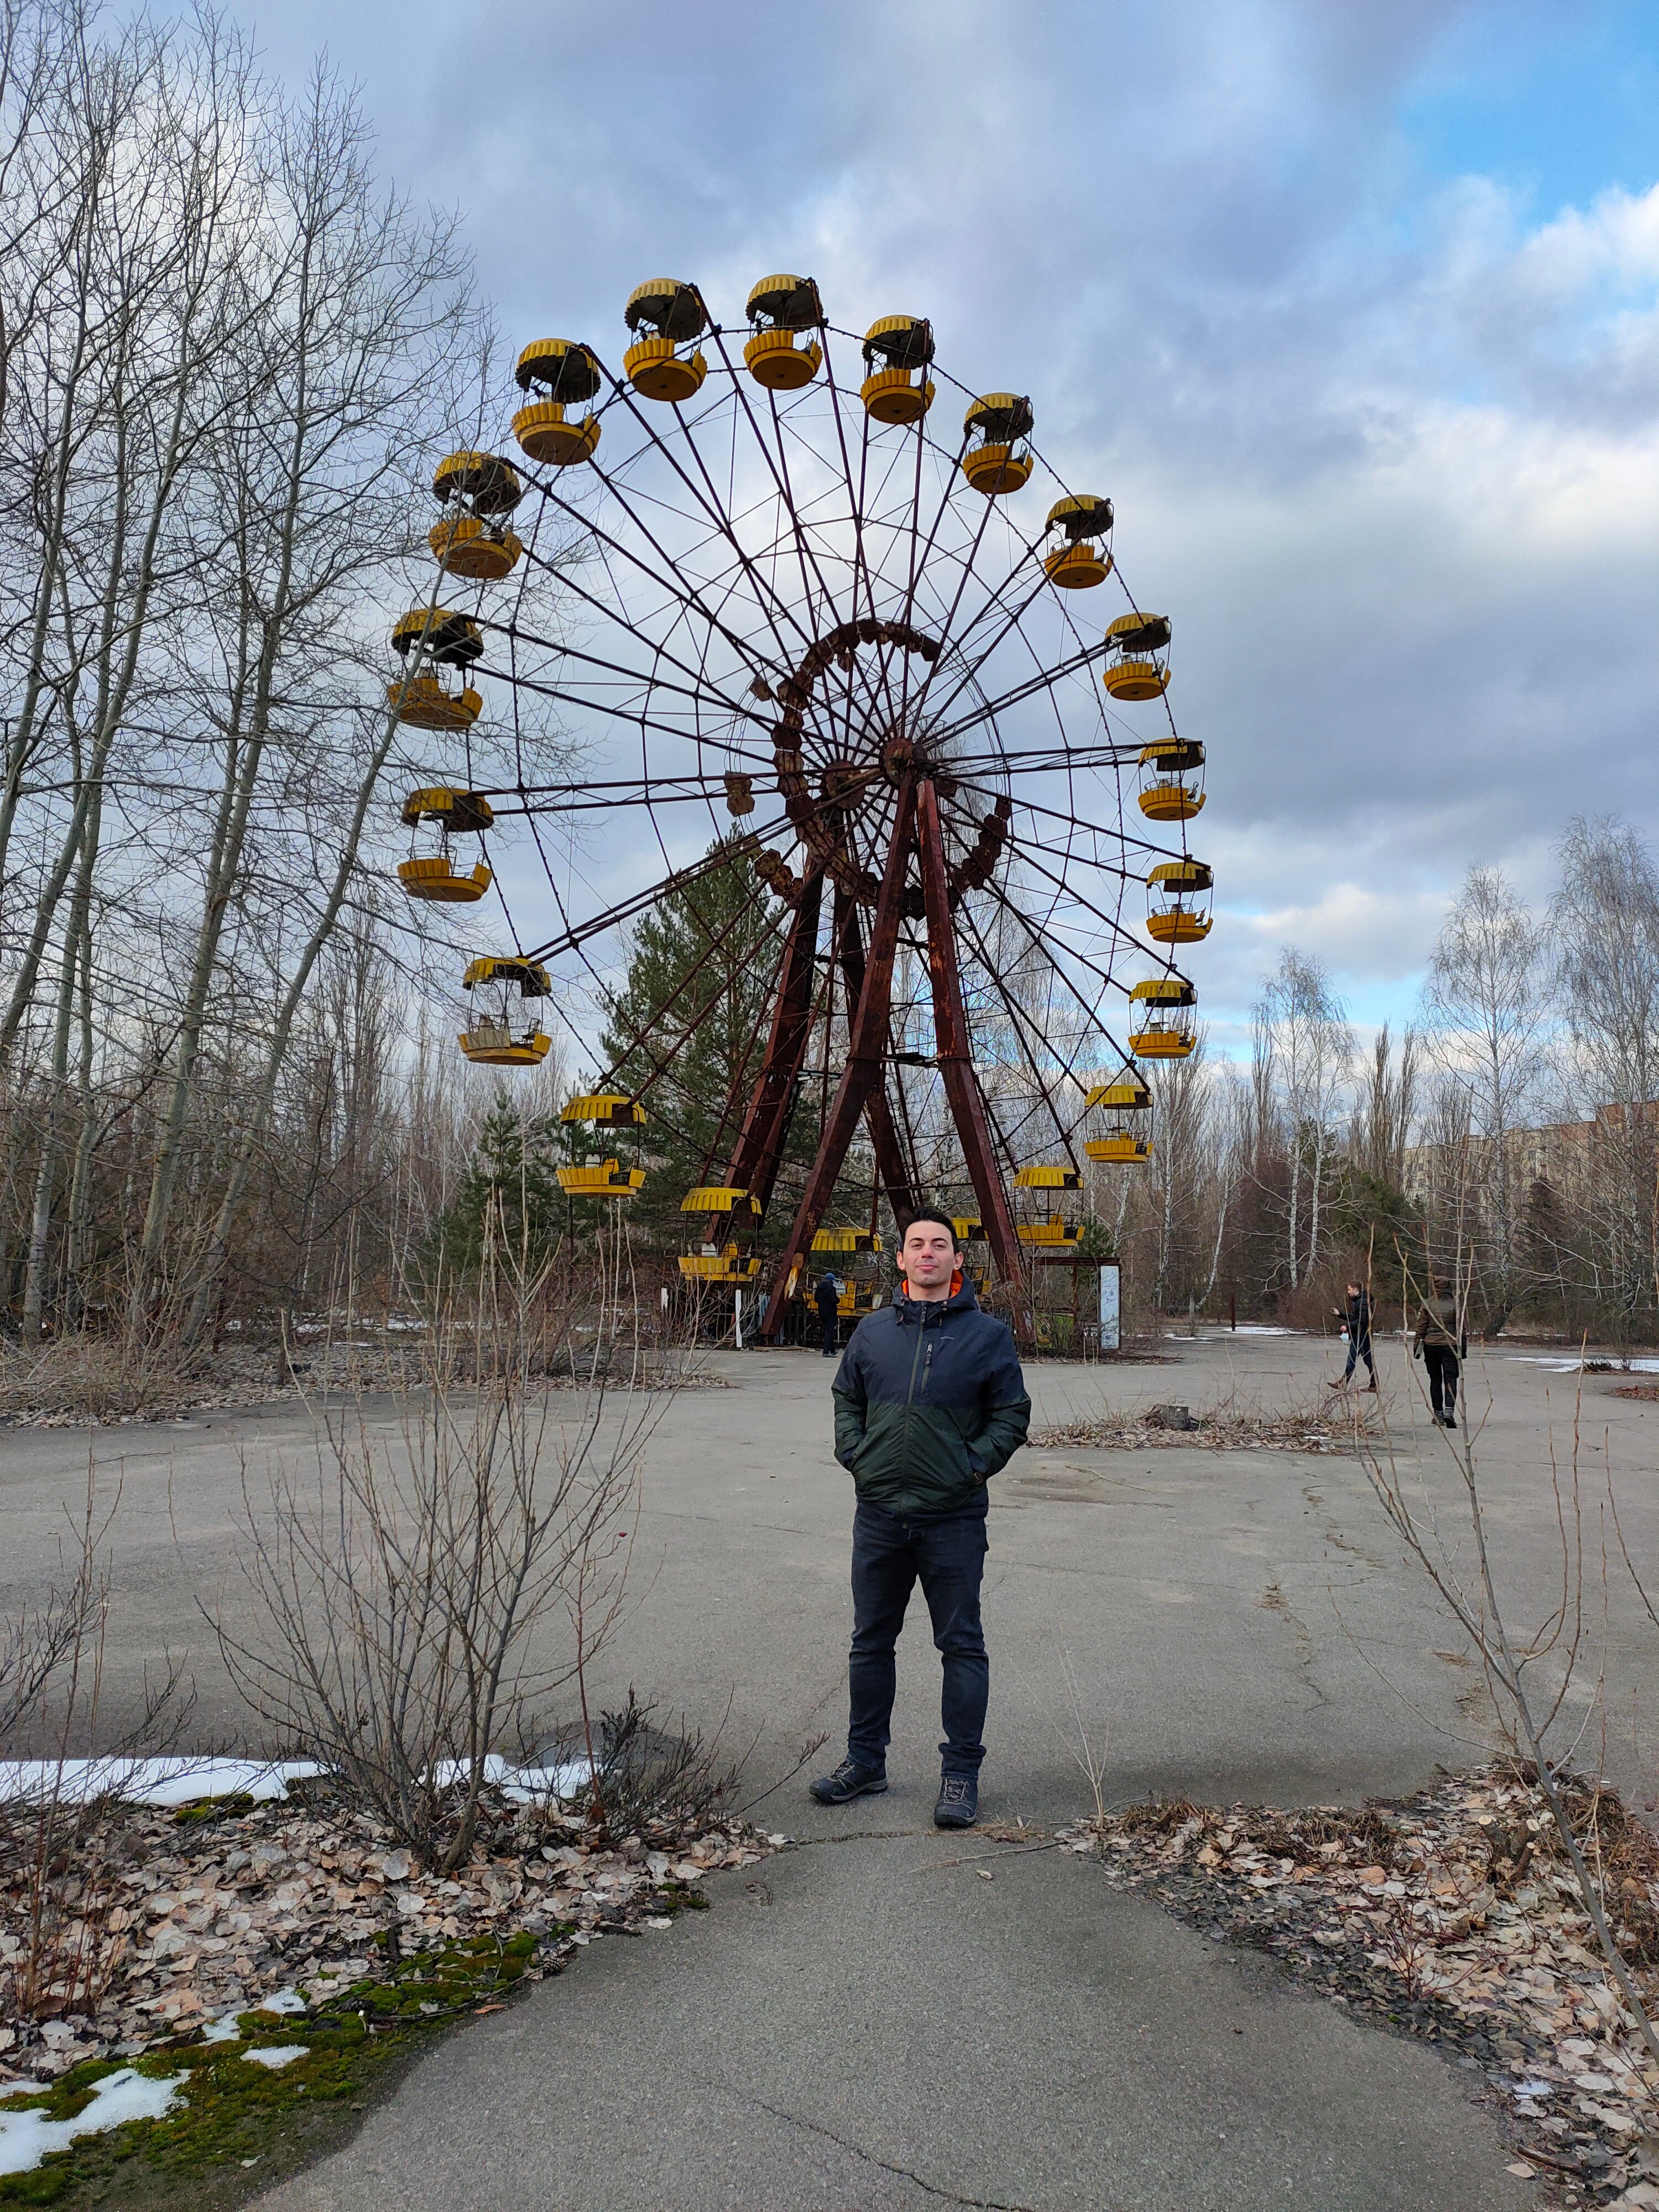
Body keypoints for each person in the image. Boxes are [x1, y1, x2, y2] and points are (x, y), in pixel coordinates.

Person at [810, 1211, 1031, 1830]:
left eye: (940, 1245)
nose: (928, 1253)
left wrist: (971, 1465)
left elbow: (1012, 1414)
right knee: (870, 1642)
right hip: (879, 1514)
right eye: (917, 1244)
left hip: (953, 1518)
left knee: (960, 1645)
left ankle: (960, 1773)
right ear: (901, 1259)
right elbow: (845, 1396)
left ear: (958, 1261)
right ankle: (865, 1762)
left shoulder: (987, 1336)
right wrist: (855, 1453)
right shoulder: (872, 1332)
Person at [1413, 1281, 1467, 1428]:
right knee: (1451, 1379)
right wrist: (1463, 1350)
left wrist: (1417, 1346)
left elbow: (1421, 1326)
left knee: (1435, 1380)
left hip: (1432, 1346)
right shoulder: (1456, 1305)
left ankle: (1438, 1414)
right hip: (1451, 1346)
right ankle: (1449, 1412)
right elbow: (1461, 1329)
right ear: (1449, 1288)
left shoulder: (1428, 1304)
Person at [1329, 1280, 1376, 1391]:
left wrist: (1347, 1327)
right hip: (1364, 1336)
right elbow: (1355, 1318)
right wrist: (1340, 1314)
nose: (1348, 1292)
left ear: (1356, 1290)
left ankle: (1343, 1383)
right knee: (1368, 1361)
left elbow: (1363, 1321)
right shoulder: (1360, 1302)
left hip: (1361, 1336)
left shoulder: (1363, 1302)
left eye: (1349, 1290)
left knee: (1352, 1360)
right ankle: (1374, 1385)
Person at [814, 1270, 842, 1357]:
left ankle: (832, 1350)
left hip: (822, 1312)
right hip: (831, 1312)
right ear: (832, 1280)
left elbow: (816, 1299)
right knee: (830, 1332)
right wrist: (838, 1300)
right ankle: (826, 1351)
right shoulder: (832, 1288)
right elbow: (834, 1300)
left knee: (828, 1331)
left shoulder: (819, 1288)